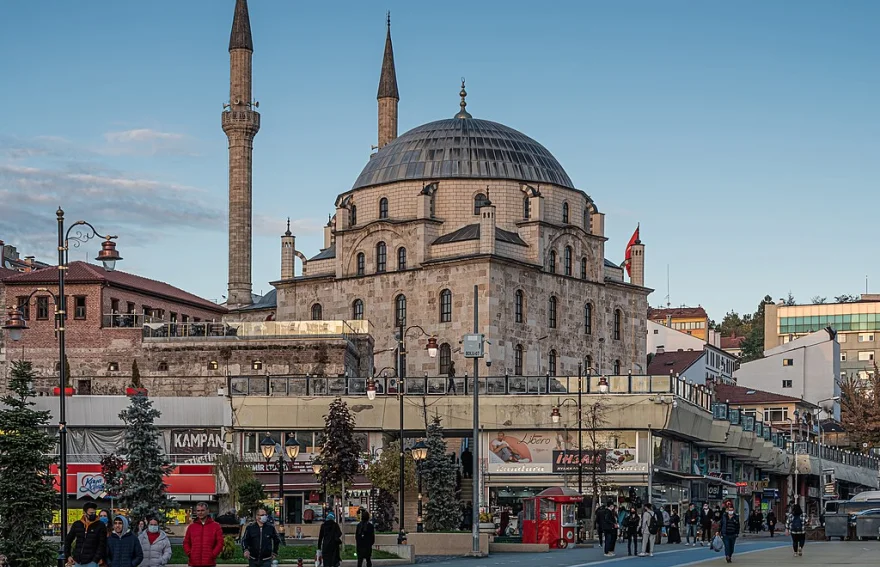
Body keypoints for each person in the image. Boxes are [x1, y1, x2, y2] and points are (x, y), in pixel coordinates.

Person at [65, 501, 107, 567]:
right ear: (84, 513)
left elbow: (102, 544)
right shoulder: (77, 524)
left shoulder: (100, 525)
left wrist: (96, 559)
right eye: (91, 513)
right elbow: (68, 540)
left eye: (94, 512)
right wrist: (68, 555)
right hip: (78, 561)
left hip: (92, 562)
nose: (93, 514)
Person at [183, 502, 223, 567]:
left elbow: (220, 543)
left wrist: (213, 554)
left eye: (202, 510)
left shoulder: (216, 526)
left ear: (207, 511)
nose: (200, 513)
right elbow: (186, 542)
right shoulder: (191, 527)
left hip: (209, 563)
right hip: (194, 562)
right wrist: (190, 553)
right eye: (198, 511)